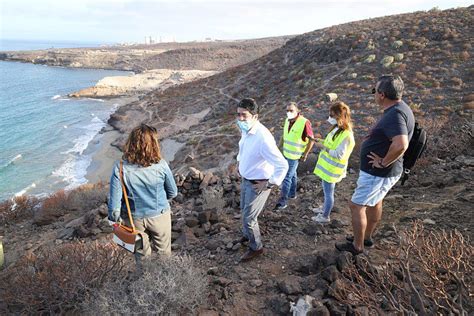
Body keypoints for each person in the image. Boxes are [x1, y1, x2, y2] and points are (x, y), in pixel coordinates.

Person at [336, 75, 414, 255]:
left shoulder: (394, 115)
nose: (373, 95)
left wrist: (383, 162)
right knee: (375, 201)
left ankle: (357, 246)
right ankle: (366, 237)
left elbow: (401, 144)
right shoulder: (401, 108)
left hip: (378, 173)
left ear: (382, 95)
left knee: (356, 205)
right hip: (384, 172)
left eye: (374, 91)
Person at [108, 124, 178, 258]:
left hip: (134, 219)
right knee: (164, 255)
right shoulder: (161, 165)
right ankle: (166, 278)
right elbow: (173, 193)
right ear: (154, 143)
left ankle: (145, 278)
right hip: (160, 216)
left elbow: (114, 207)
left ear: (131, 143)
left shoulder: (120, 168)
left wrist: (115, 222)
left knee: (141, 257)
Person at [236, 98, 288, 262]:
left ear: (255, 116)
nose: (240, 119)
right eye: (238, 115)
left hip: (258, 184)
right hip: (246, 179)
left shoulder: (263, 138)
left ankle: (256, 247)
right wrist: (239, 164)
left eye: (244, 115)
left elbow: (282, 165)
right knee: (244, 211)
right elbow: (243, 149)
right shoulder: (247, 130)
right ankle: (248, 236)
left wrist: (269, 183)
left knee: (249, 218)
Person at [312, 101, 355, 223]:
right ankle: (325, 208)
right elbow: (330, 143)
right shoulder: (337, 129)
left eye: (332, 115)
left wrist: (323, 147)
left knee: (328, 193)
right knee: (326, 192)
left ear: (339, 117)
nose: (329, 118)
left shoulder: (347, 135)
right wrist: (319, 141)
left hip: (332, 169)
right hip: (327, 168)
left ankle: (325, 216)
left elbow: (338, 155)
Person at [274, 102, 314, 210]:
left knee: (286, 177)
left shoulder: (304, 122)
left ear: (297, 111)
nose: (289, 112)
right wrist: (278, 147)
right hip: (286, 153)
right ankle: (292, 194)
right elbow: (284, 136)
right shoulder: (287, 120)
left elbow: (311, 140)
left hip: (295, 155)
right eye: (287, 110)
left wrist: (305, 154)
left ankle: (283, 202)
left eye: (291, 110)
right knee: (293, 174)